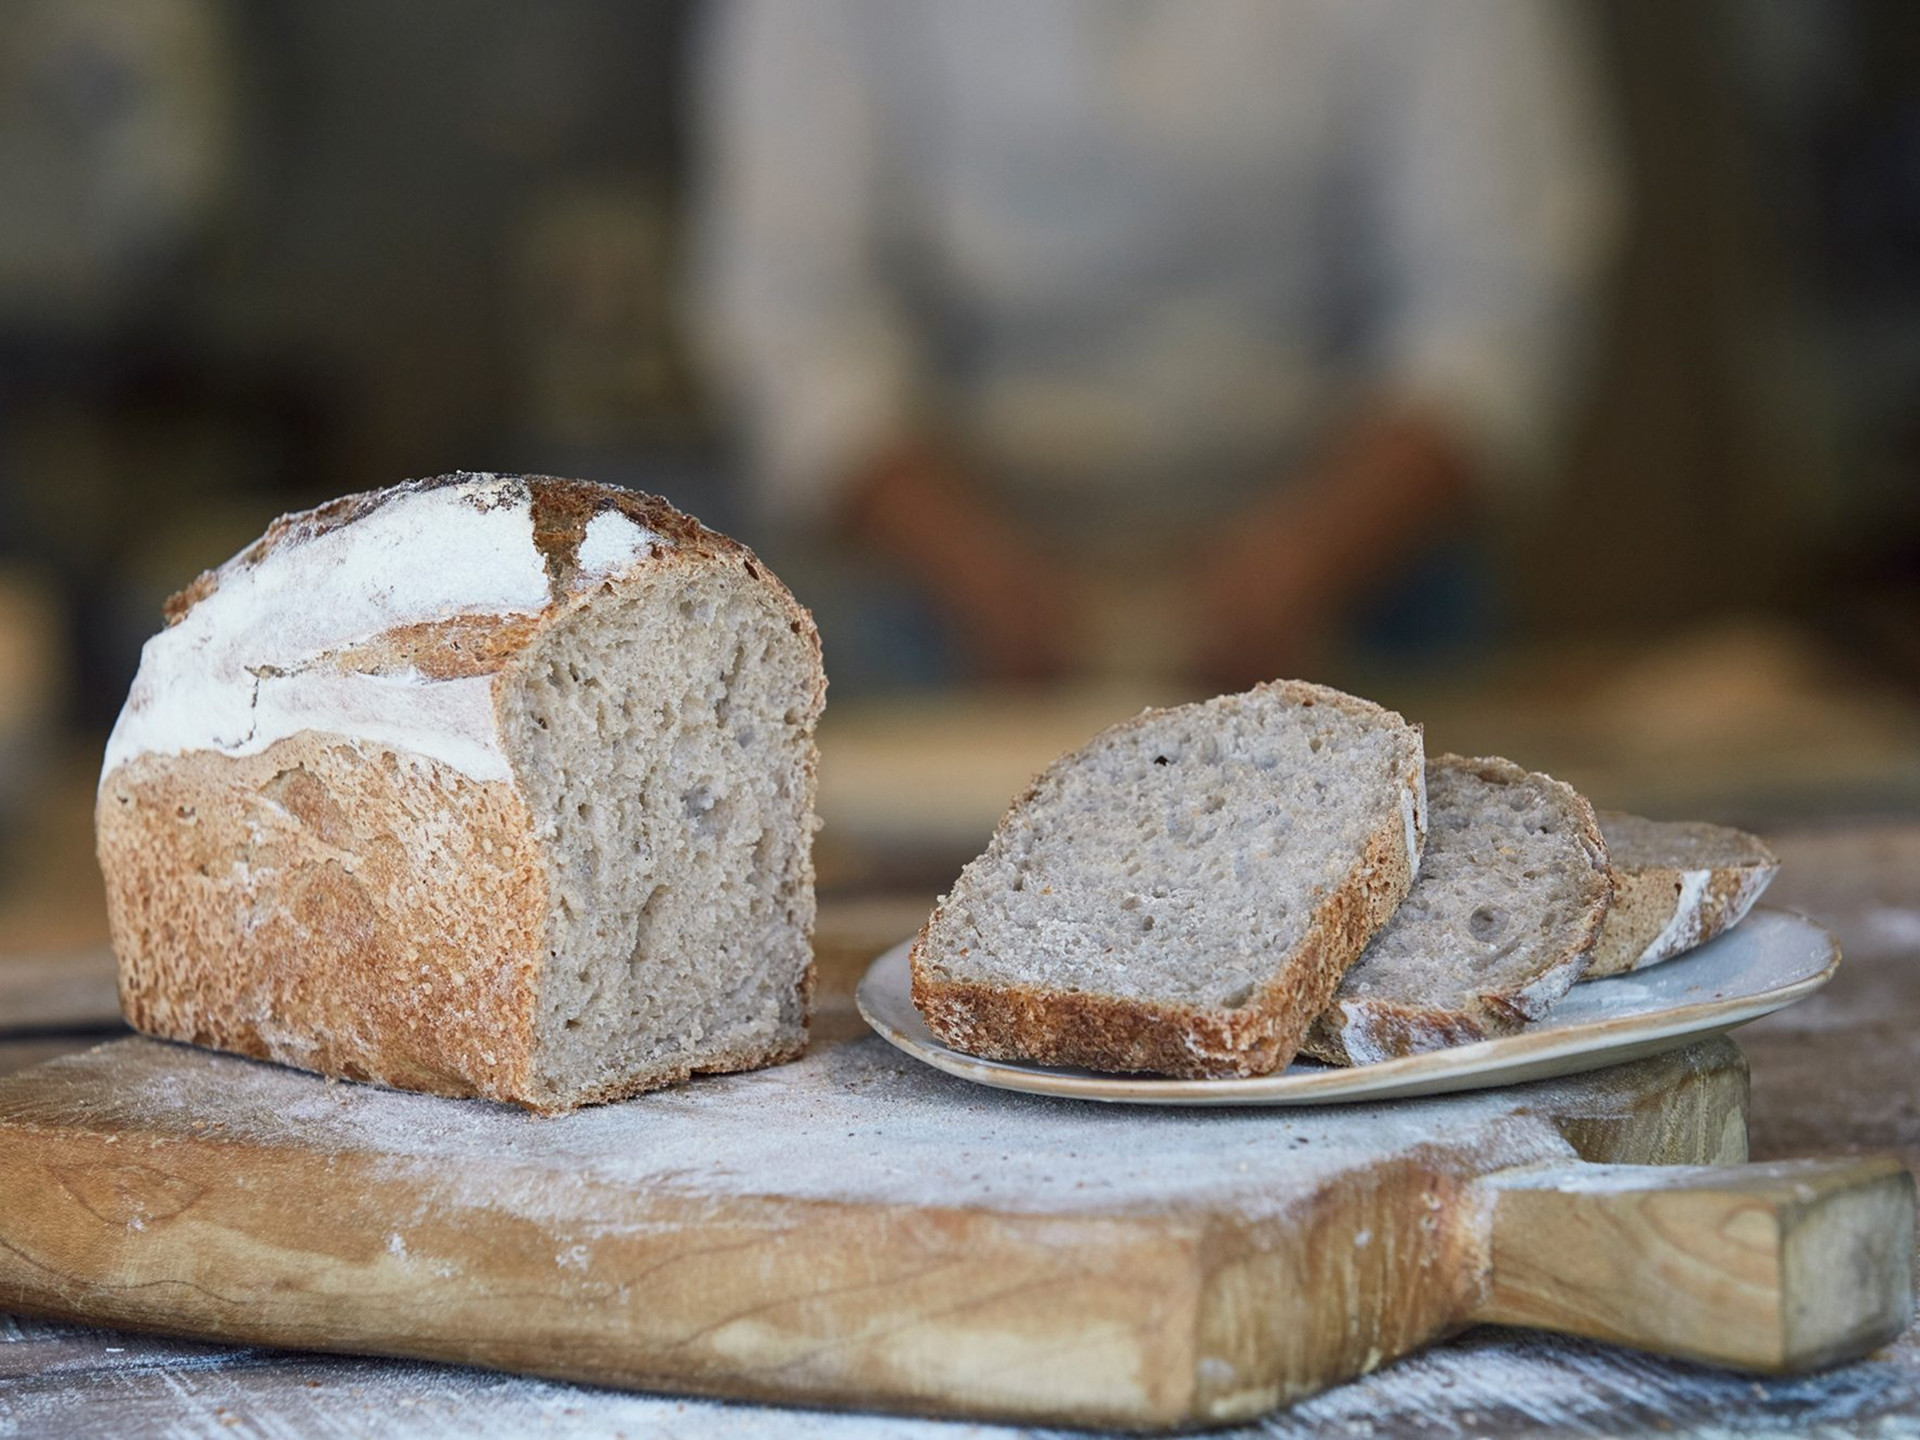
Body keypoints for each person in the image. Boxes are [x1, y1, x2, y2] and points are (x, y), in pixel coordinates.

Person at [693, 0, 1622, 688]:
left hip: (1363, 572)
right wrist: (983, 575)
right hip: (955, 588)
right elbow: (799, 315)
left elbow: (1494, 299)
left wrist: (1299, 563)